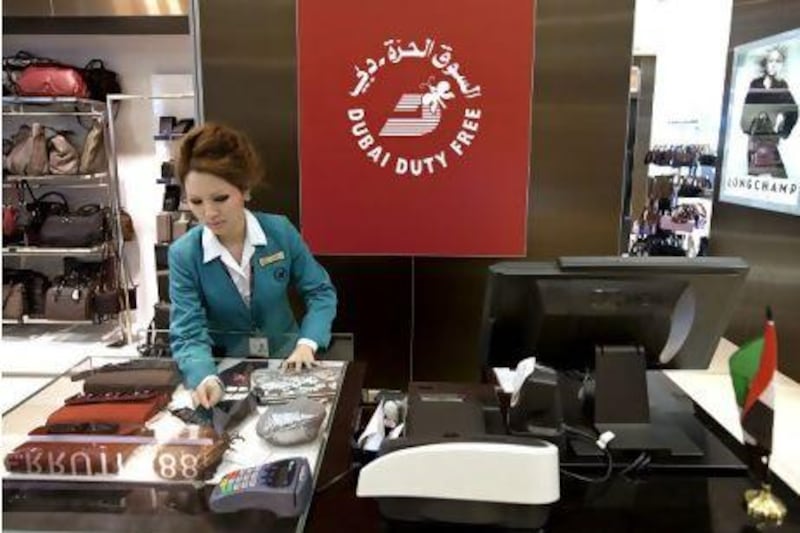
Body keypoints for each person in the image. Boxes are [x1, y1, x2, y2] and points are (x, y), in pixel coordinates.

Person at [168, 122, 337, 408]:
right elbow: (187, 331)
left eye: (220, 198)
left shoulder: (279, 232)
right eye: (196, 201)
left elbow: (321, 292)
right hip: (223, 372)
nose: (209, 213)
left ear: (245, 190)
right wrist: (204, 377)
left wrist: (307, 343)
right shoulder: (184, 254)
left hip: (289, 364)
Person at [740, 46, 798, 178]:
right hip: (754, 138)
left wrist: (783, 131)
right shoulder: (755, 84)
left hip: (769, 137)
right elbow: (746, 112)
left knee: (779, 178)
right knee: (754, 179)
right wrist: (749, 127)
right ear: (765, 63)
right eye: (771, 61)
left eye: (778, 61)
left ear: (782, 64)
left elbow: (793, 111)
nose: (774, 65)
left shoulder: (781, 86)